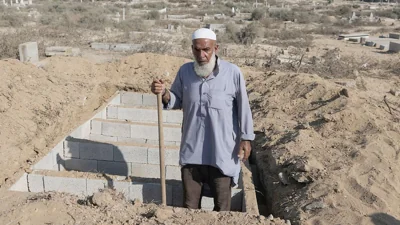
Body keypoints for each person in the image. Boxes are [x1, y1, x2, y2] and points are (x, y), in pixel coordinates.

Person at [151, 28, 254, 211]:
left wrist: (246, 138)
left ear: (216, 48)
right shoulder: (185, 72)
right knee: (190, 208)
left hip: (222, 153)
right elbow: (176, 100)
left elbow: (244, 108)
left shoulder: (232, 73)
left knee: (222, 210)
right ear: (192, 49)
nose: (202, 55)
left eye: (206, 49)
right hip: (192, 152)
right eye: (197, 50)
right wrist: (164, 93)